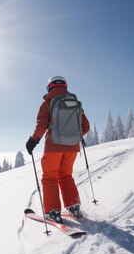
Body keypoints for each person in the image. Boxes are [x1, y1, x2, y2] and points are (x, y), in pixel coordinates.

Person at [25, 76, 90, 224]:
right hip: (73, 147)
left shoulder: (47, 103)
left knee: (50, 177)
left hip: (54, 146)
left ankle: (53, 212)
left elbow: (41, 125)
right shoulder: (75, 104)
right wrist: (73, 137)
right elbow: (85, 127)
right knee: (66, 175)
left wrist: (33, 141)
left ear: (49, 87)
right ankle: (74, 206)